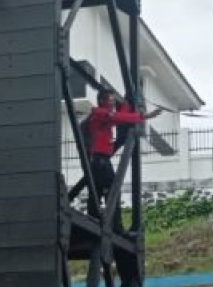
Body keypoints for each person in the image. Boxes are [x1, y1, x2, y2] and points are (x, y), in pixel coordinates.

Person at [68, 89, 161, 225]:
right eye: (110, 100)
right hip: (101, 161)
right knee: (112, 190)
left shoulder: (103, 115)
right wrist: (145, 116)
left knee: (98, 190)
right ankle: (115, 226)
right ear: (102, 101)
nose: (113, 103)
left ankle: (96, 219)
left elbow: (120, 116)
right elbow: (119, 117)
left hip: (99, 160)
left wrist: (127, 104)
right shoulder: (99, 113)